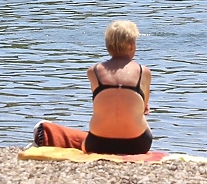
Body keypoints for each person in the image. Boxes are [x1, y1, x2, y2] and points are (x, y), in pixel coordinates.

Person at [30, 20, 152, 155]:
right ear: (131, 45)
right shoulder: (143, 72)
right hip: (138, 145)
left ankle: (47, 132)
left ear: (108, 46)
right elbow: (144, 109)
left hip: (98, 144)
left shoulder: (93, 72)